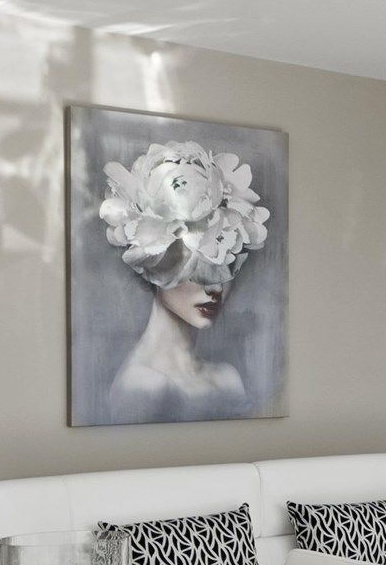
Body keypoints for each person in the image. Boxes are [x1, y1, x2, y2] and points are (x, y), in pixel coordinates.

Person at [96, 140, 271, 419]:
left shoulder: (226, 378)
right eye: (198, 267)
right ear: (154, 263)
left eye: (227, 266)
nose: (215, 287)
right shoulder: (143, 386)